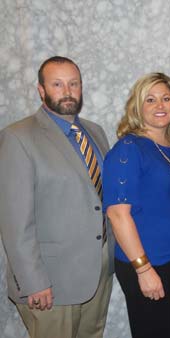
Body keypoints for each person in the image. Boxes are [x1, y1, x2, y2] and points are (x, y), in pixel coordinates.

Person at [0, 56, 113, 338]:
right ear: (41, 90)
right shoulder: (18, 137)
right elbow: (14, 221)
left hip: (98, 272)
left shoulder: (95, 132)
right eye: (57, 84)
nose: (67, 91)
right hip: (51, 280)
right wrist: (32, 281)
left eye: (73, 83)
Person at [103, 72, 170, 338]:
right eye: (151, 100)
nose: (160, 106)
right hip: (145, 261)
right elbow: (118, 215)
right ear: (137, 107)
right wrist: (143, 269)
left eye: (166, 98)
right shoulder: (128, 149)